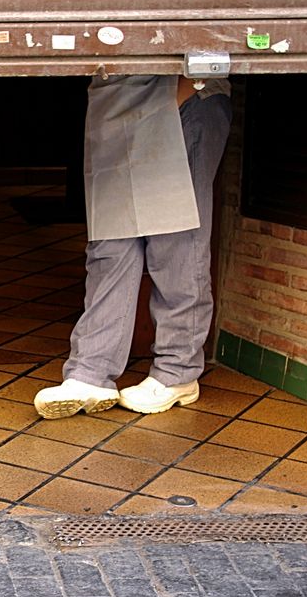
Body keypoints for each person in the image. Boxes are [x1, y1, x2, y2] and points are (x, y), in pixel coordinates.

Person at [34, 74, 232, 419]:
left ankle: (178, 372)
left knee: (177, 244)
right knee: (109, 248)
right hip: (115, 100)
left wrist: (186, 88)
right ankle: (91, 373)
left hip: (180, 97)